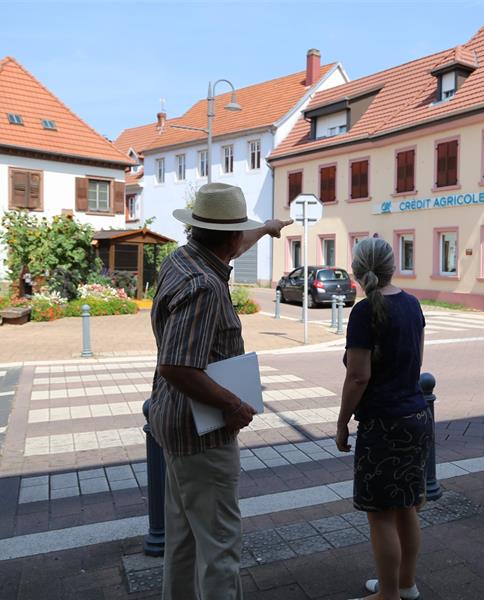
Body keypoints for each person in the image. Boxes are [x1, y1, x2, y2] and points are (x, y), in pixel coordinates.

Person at [148, 182, 291, 600]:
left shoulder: (184, 259)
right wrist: (234, 404)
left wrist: (267, 227)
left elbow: (233, 245)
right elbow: (176, 366)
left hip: (173, 422)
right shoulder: (205, 286)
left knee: (184, 540)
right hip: (202, 431)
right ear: (229, 236)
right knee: (220, 547)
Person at [336, 237, 431, 600]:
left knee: (380, 514)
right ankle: (406, 585)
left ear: (358, 271)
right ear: (393, 266)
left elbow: (358, 376)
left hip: (382, 424)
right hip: (415, 416)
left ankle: (387, 595)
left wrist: (343, 421)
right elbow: (416, 362)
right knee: (406, 505)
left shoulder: (363, 313)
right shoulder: (412, 305)